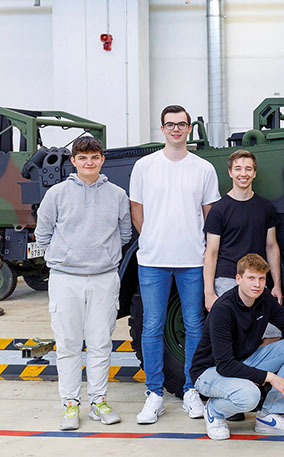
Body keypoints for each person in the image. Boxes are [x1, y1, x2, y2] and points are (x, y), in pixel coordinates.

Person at [129, 105, 220, 423]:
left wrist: (201, 247)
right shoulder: (145, 166)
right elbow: (136, 209)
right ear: (162, 128)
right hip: (153, 259)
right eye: (170, 124)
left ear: (189, 128)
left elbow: (210, 214)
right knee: (152, 326)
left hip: (192, 260)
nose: (176, 129)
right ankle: (154, 394)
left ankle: (191, 389)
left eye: (182, 124)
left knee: (194, 325)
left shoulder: (203, 168)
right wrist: (152, 238)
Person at [34, 136, 132, 430]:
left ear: (102, 160)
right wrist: (62, 258)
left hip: (104, 277)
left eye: (94, 157)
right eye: (83, 157)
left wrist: (103, 257)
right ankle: (70, 404)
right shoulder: (57, 194)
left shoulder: (117, 195)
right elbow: (42, 232)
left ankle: (99, 401)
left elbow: (125, 233)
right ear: (74, 161)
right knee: (68, 344)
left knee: (101, 342)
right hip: (65, 279)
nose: (89, 162)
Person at [191, 254, 284, 440]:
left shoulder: (264, 298)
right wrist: (270, 377)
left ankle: (269, 415)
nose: (257, 284)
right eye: (251, 278)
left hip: (242, 361)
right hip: (209, 372)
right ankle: (214, 410)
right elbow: (224, 365)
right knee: (250, 395)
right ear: (238, 279)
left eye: (261, 279)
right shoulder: (223, 309)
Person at [203, 150, 283, 341]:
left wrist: (277, 285)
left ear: (254, 173)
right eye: (238, 169)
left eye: (248, 169)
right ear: (230, 172)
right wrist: (209, 292)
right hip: (228, 279)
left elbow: (271, 247)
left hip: (257, 280)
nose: (243, 173)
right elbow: (211, 252)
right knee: (236, 335)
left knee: (274, 335)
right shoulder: (219, 210)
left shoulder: (265, 207)